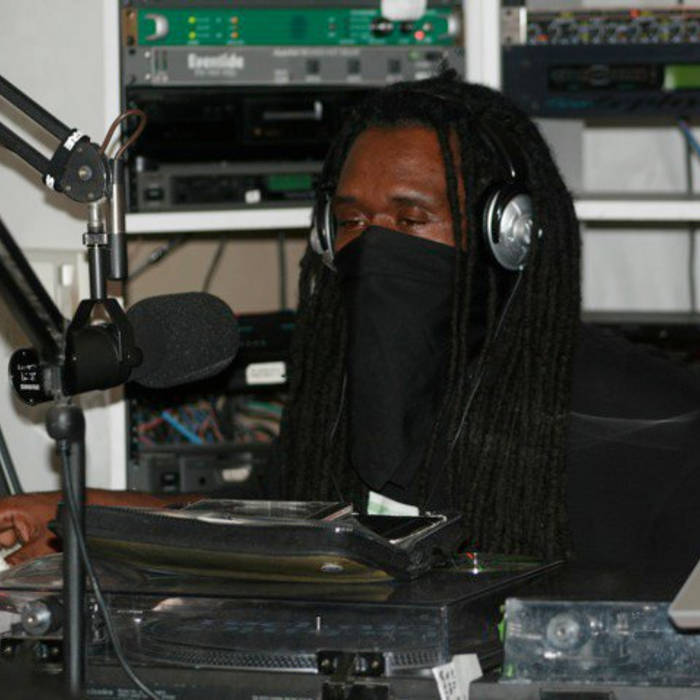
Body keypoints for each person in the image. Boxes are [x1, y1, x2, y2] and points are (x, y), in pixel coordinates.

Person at [1, 72, 699, 570]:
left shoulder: (655, 427)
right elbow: (274, 521)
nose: (374, 246)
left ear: (508, 235)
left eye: (410, 220)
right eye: (352, 221)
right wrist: (76, 513)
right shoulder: (350, 390)